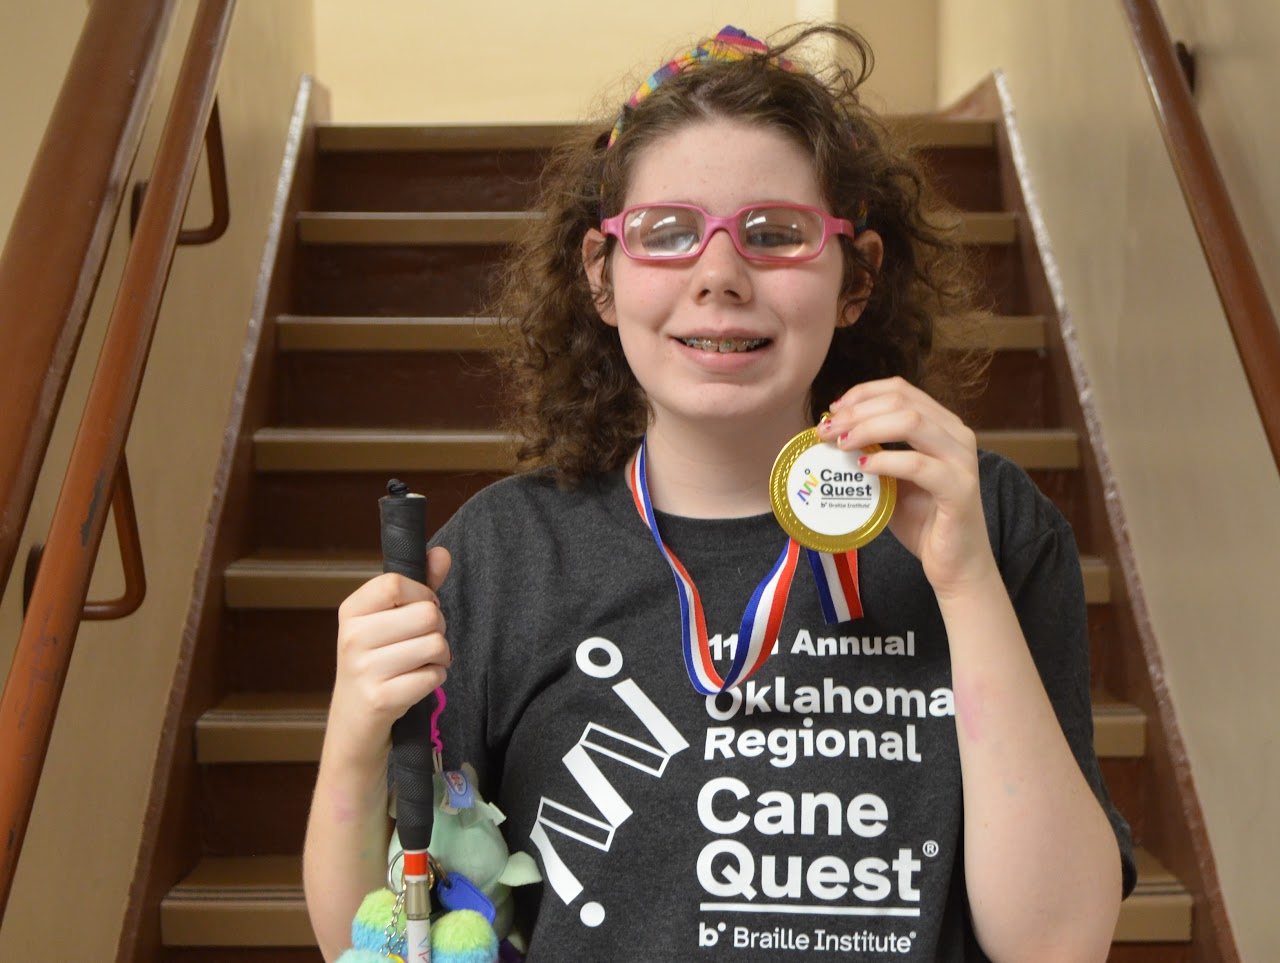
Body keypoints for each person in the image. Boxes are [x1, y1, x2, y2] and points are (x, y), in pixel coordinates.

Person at [303, 23, 1136, 961]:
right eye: (668, 235)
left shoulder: (984, 519)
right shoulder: (504, 554)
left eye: (775, 234)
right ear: (602, 277)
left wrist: (966, 581)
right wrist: (354, 727)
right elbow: (371, 939)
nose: (720, 277)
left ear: (854, 277)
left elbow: (1058, 942)